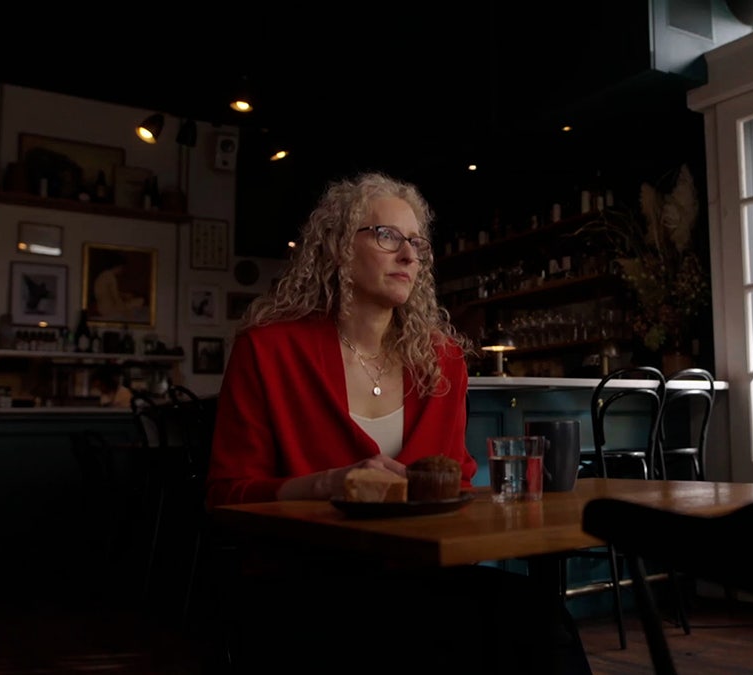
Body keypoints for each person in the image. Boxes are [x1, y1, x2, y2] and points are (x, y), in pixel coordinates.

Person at [205, 171, 592, 675]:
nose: (409, 255)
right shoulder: (267, 350)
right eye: (387, 236)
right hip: (304, 582)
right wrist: (326, 483)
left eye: (416, 243)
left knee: (542, 621)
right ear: (339, 248)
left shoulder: (442, 359)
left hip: (420, 576)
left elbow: (456, 470)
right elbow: (226, 494)